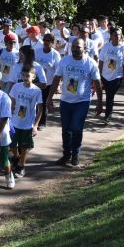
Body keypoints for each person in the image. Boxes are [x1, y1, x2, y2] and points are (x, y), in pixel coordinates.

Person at [47, 39, 103, 167]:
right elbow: (56, 79)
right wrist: (49, 98)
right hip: (65, 101)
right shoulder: (65, 61)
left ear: (84, 48)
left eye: (78, 47)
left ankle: (76, 152)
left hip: (81, 102)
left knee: (76, 128)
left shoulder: (90, 63)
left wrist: (100, 103)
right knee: (66, 129)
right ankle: (67, 154)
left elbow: (98, 84)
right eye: (73, 47)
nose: (74, 49)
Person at [8, 67, 43, 178]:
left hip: (27, 124)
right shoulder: (16, 87)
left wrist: (35, 125)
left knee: (24, 146)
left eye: (27, 75)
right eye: (23, 75)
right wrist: (8, 118)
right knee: (12, 144)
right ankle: (17, 157)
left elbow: (40, 108)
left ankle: (21, 166)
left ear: (33, 76)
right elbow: (12, 103)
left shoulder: (36, 90)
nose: (25, 78)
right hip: (14, 122)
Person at [98, 28, 124, 122]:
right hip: (105, 76)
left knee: (110, 96)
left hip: (116, 77)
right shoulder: (106, 46)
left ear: (121, 36)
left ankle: (107, 115)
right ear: (111, 36)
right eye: (115, 35)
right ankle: (103, 109)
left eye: (119, 35)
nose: (117, 37)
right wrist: (99, 73)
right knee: (108, 95)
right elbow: (101, 61)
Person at [34, 33, 61, 129]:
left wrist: (57, 85)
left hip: (48, 83)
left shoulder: (55, 55)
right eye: (45, 40)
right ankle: (33, 121)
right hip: (36, 82)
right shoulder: (37, 52)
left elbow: (58, 72)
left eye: (48, 40)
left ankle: (42, 123)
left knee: (43, 103)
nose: (46, 42)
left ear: (52, 43)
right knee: (34, 102)